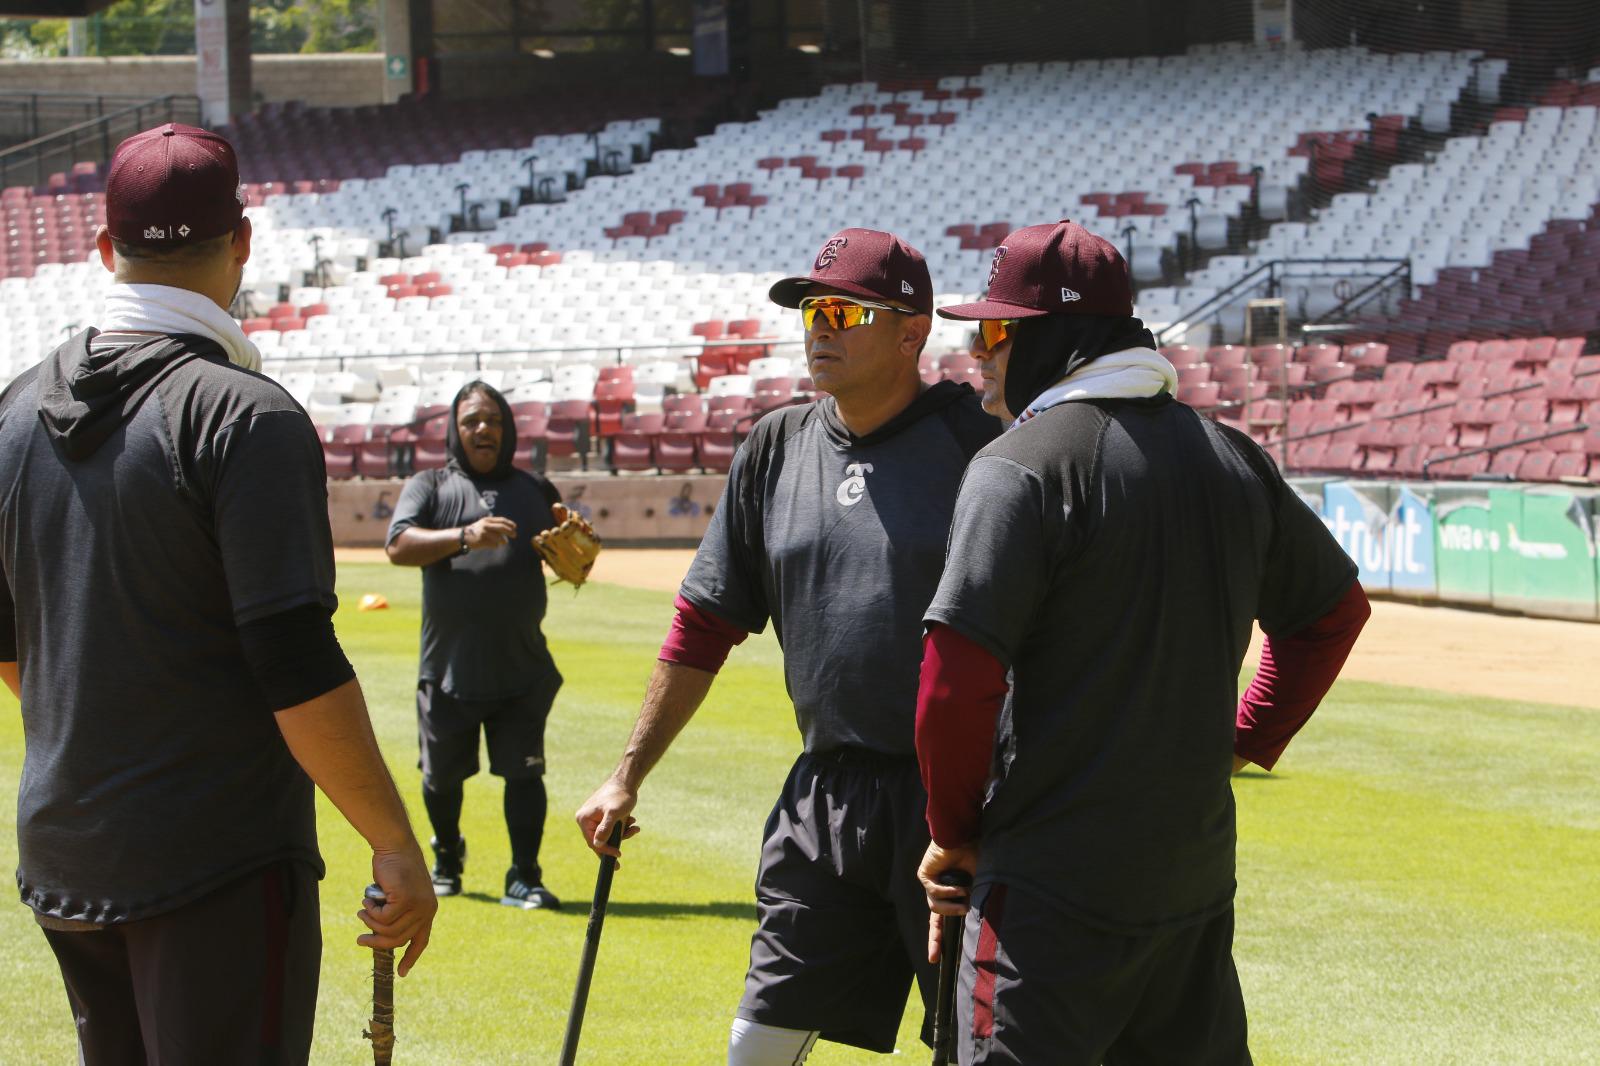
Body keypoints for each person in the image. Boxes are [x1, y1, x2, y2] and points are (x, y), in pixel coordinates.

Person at [0, 123, 435, 1064]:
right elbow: (293, 661)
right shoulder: (248, 414)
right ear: (242, 243)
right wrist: (393, 838)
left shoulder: (10, 410)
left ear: (106, 250)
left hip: (66, 851)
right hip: (216, 863)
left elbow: (13, 644)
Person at [913, 220, 1371, 1065]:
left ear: (1051, 337)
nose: (977, 353)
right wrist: (1245, 742)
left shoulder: (1019, 465)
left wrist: (952, 828)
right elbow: (1330, 617)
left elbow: (954, 678)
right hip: (1190, 885)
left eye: (992, 331)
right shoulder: (1234, 457)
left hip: (1045, 895)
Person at [576, 228, 999, 1064]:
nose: (819, 327)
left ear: (912, 330)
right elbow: (705, 625)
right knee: (758, 1042)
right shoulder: (775, 447)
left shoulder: (979, 448)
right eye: (810, 309)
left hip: (957, 804)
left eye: (843, 310)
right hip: (825, 800)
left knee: (976, 1049)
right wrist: (626, 774)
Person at [386, 380, 569, 910]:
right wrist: (465, 535)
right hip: (448, 668)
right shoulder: (431, 486)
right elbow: (398, 545)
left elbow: (565, 554)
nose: (482, 429)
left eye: (492, 420)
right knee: (440, 779)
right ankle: (446, 858)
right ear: (454, 429)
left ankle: (524, 876)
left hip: (521, 667)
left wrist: (577, 558)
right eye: (471, 421)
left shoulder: (536, 489)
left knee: (525, 774)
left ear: (508, 428)